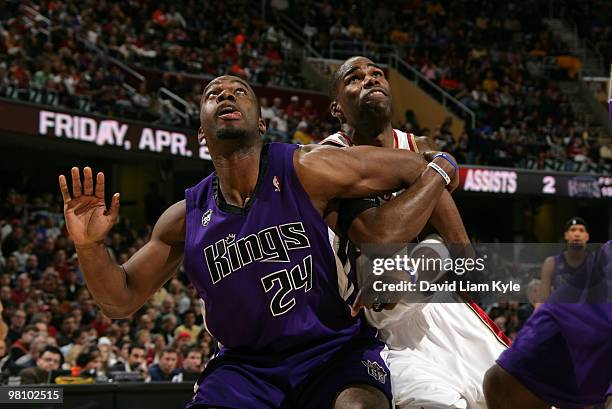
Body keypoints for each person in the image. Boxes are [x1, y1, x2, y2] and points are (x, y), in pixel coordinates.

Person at [58, 74, 459, 409]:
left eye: (239, 92)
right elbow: (120, 299)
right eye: (213, 94)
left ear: (262, 124)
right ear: (201, 130)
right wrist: (90, 247)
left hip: (333, 352)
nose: (226, 96)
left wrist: (458, 239)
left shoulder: (306, 167)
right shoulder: (185, 217)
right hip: (245, 369)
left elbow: (418, 167)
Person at [322, 56, 508, 409]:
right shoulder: (328, 157)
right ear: (337, 108)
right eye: (355, 78)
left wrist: (464, 259)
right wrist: (440, 169)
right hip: (375, 320)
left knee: (515, 394)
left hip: (437, 302)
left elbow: (446, 180)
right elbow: (378, 238)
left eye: (377, 74)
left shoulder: (416, 144)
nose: (370, 80)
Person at [484, 240, 611, 409]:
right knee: (499, 383)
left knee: (500, 382)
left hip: (571, 338)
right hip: (563, 337)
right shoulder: (554, 264)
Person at [536, 216, 591, 304]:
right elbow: (542, 300)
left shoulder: (597, 263)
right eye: (573, 230)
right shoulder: (551, 263)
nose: (577, 234)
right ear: (566, 236)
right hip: (560, 314)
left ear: (587, 237)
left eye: (581, 230)